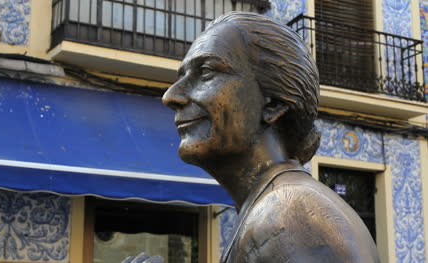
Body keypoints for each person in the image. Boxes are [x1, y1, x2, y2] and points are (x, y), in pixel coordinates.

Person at [126, 11, 380, 263]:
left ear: (272, 105)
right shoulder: (275, 207)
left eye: (205, 72)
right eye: (181, 77)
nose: (171, 96)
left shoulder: (290, 214)